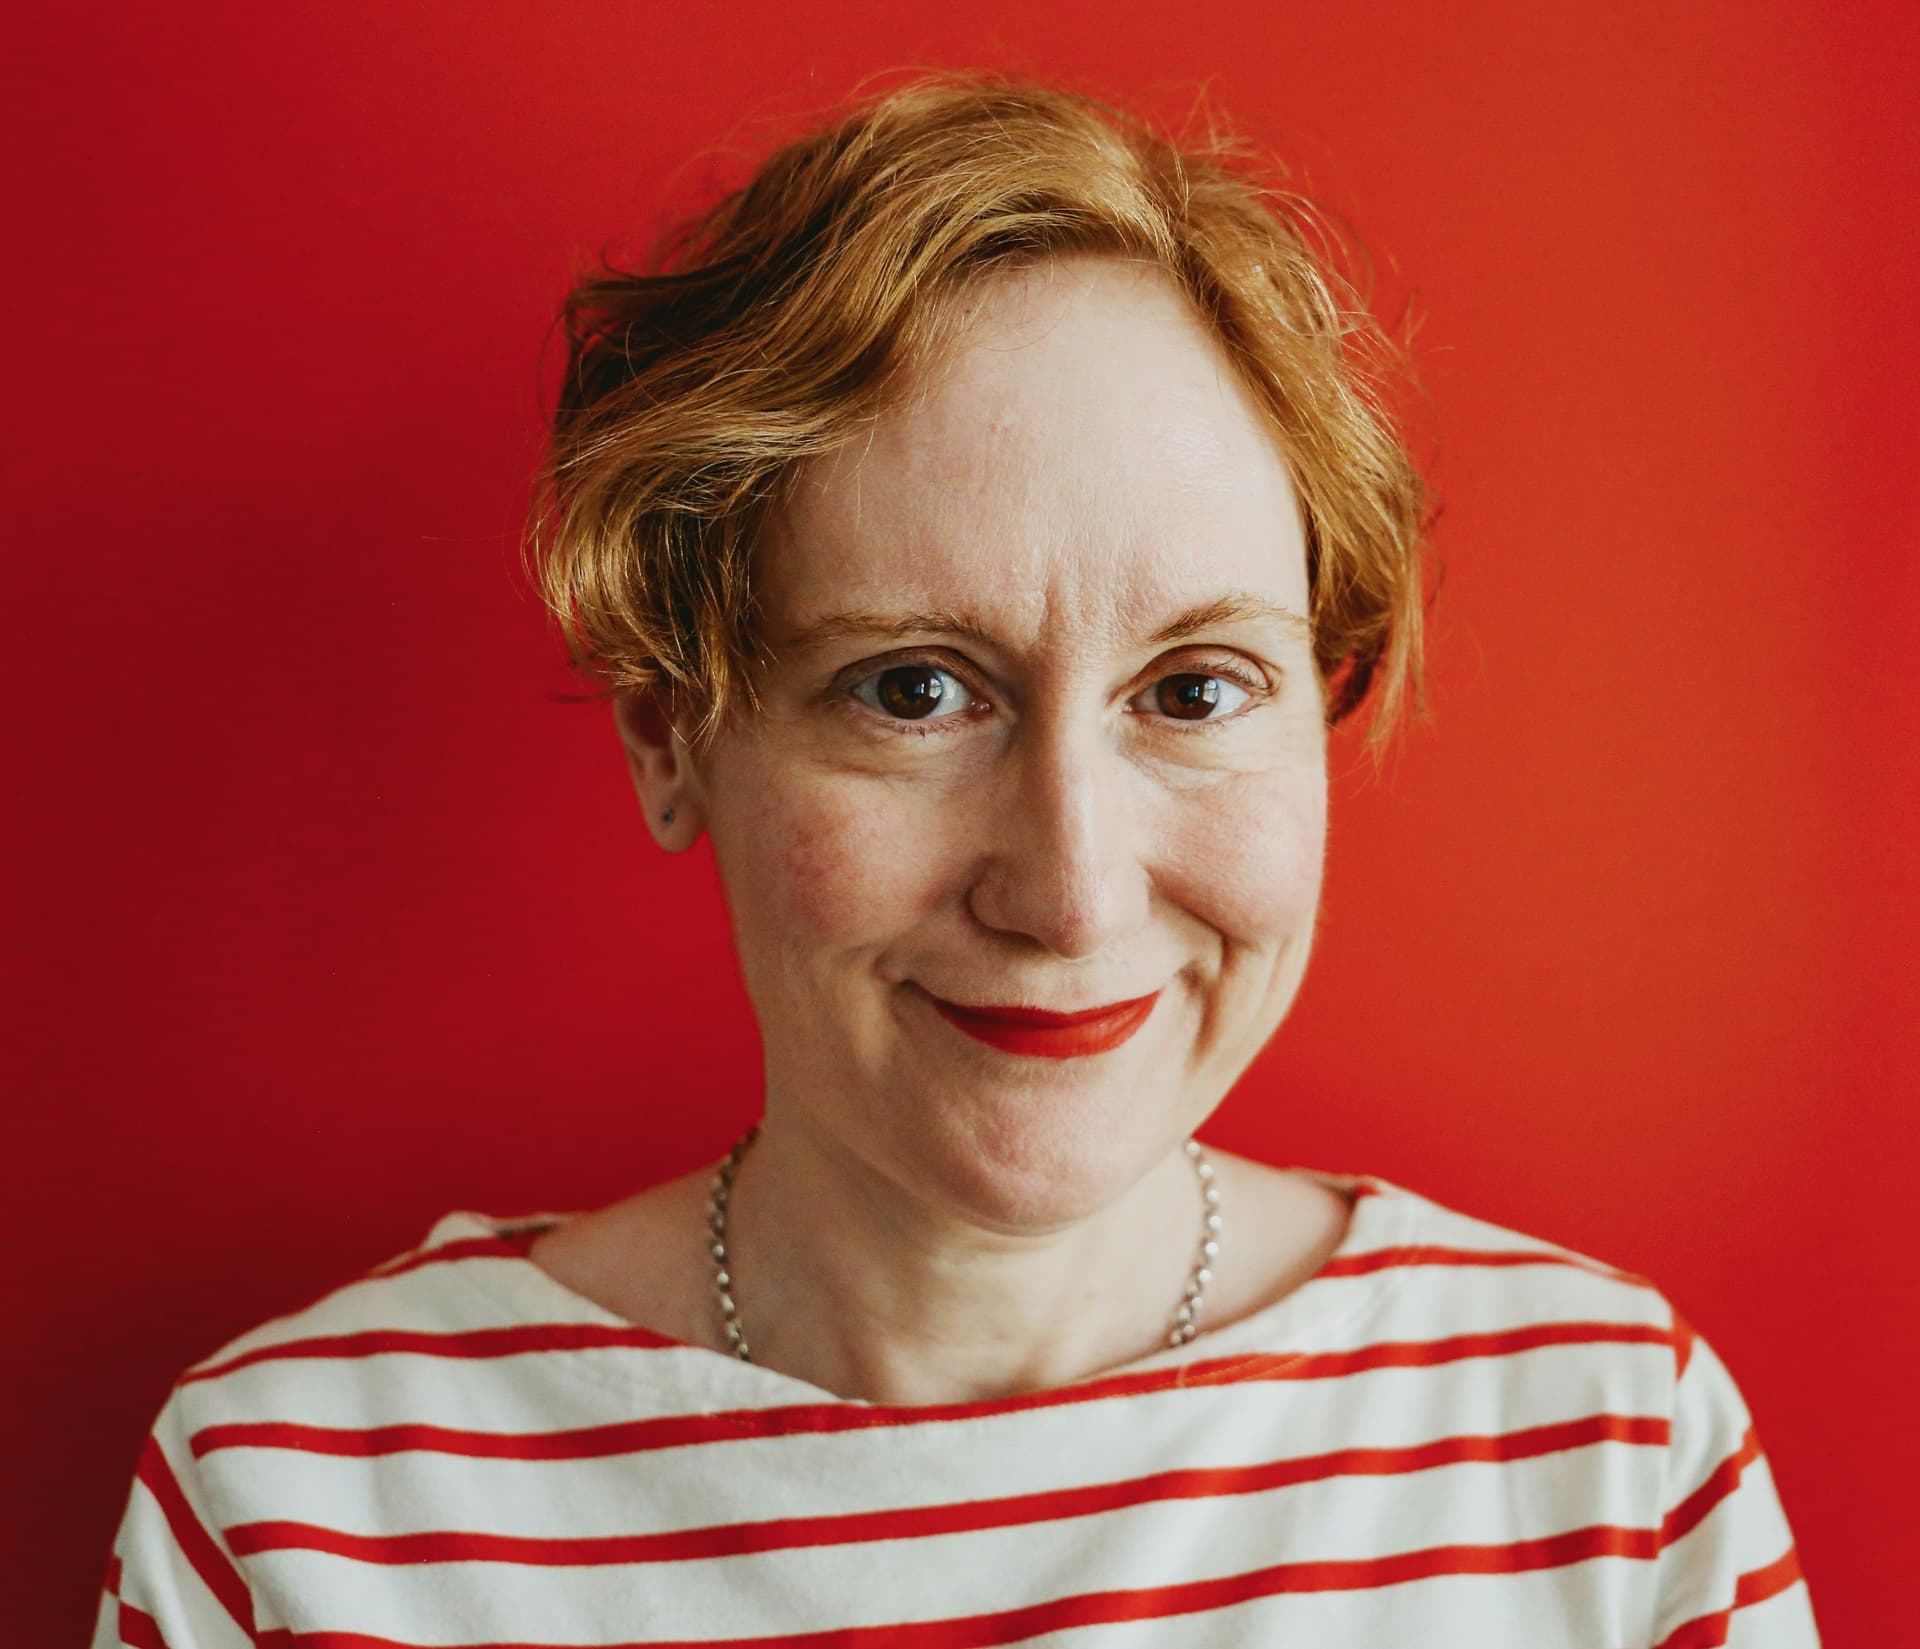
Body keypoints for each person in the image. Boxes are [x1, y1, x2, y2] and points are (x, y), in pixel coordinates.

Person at [93, 74, 1819, 1647]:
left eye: (1196, 687)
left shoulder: (1603, 1458)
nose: (1071, 889)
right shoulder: (305, 1509)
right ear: (671, 734)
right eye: (914, 689)